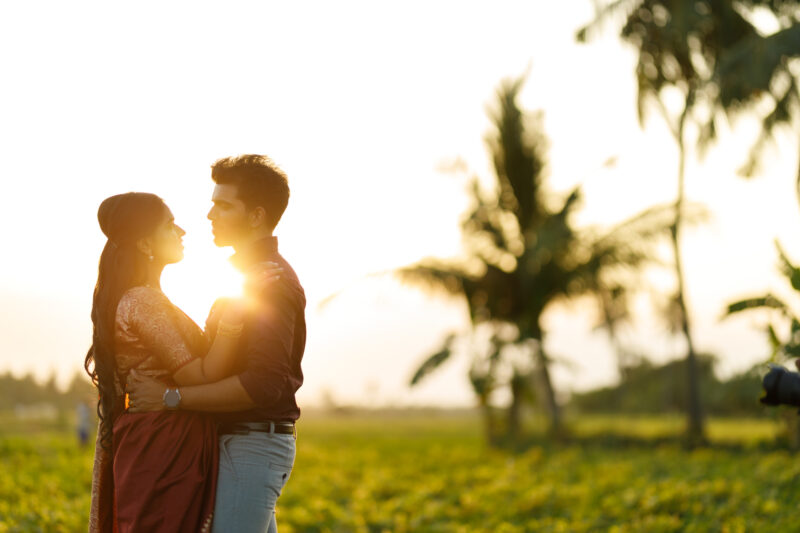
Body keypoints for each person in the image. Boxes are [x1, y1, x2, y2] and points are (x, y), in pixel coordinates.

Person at [127, 155, 306, 533]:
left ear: (256, 216)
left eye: (223, 206)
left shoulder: (269, 283)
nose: (210, 215)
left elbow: (263, 385)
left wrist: (169, 398)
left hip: (252, 445)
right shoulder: (244, 280)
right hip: (238, 443)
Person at [86, 192, 281, 532]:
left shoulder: (143, 297)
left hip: (161, 438)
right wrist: (235, 315)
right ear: (146, 244)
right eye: (169, 225)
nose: (182, 232)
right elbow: (201, 375)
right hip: (163, 443)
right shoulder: (143, 301)